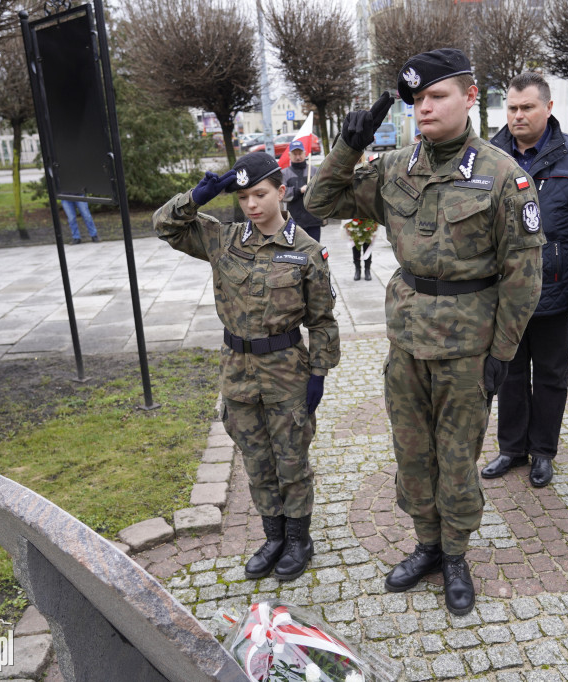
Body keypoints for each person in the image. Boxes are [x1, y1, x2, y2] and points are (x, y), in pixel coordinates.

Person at [305, 48, 544, 616]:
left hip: (467, 350)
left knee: (457, 458)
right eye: (417, 100)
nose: (424, 108)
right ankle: (427, 545)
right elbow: (317, 201)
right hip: (406, 343)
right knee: (412, 454)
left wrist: (502, 353)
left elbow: (524, 275)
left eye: (437, 95)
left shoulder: (503, 176)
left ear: (469, 98)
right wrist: (349, 145)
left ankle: (456, 554)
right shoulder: (395, 167)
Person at [153, 152, 340, 580]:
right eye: (242, 198)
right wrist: (197, 198)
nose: (252, 205)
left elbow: (323, 320)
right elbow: (164, 226)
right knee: (256, 460)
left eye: (260, 194)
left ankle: (298, 540)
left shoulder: (306, 252)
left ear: (282, 190)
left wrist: (319, 374)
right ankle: (272, 536)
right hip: (237, 368)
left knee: (291, 459)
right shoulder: (224, 239)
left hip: (286, 369)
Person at [483, 72, 568, 488]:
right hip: (504, 291)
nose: (518, 116)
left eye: (527, 107)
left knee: (552, 375)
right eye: (512, 108)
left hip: (555, 286)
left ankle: (543, 451)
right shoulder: (489, 154)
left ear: (548, 108)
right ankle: (511, 448)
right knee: (509, 372)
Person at [280, 140, 326, 243]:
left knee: (314, 250)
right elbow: (282, 195)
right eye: (294, 154)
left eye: (300, 153)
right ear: (289, 155)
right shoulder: (284, 174)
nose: (297, 156)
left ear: (305, 154)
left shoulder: (314, 171)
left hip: (313, 219)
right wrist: (299, 190)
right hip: (294, 220)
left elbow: (323, 190)